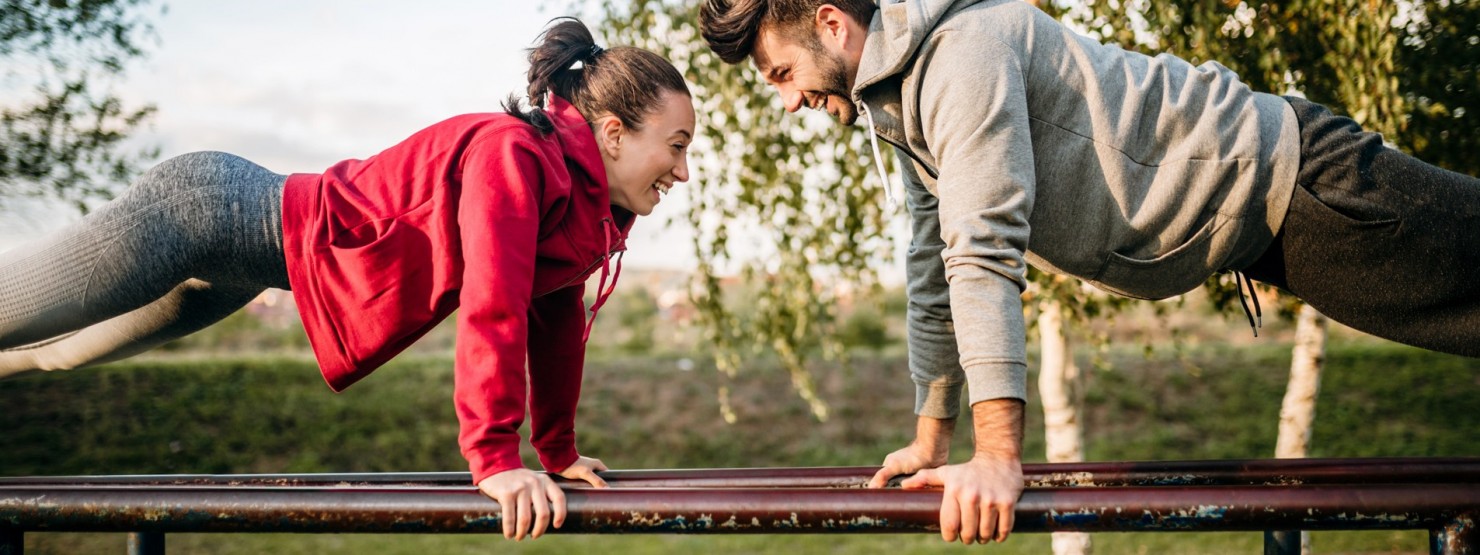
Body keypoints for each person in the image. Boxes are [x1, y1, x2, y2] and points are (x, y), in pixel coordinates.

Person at [698, 0, 1480, 545]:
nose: (789, 99)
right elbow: (934, 263)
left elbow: (983, 250)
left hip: (1297, 179)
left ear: (831, 26)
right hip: (1262, 222)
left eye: (779, 73)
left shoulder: (961, 55)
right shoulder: (904, 103)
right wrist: (932, 437)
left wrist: (1000, 456)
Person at [0, 17, 694, 542]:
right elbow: (495, 304)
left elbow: (555, 322)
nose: (683, 170)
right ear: (611, 131)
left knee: (47, 352)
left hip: (247, 263)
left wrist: (559, 451)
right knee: (14, 315)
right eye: (676, 146)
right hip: (204, 212)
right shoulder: (512, 157)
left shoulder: (582, 212)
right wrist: (493, 457)